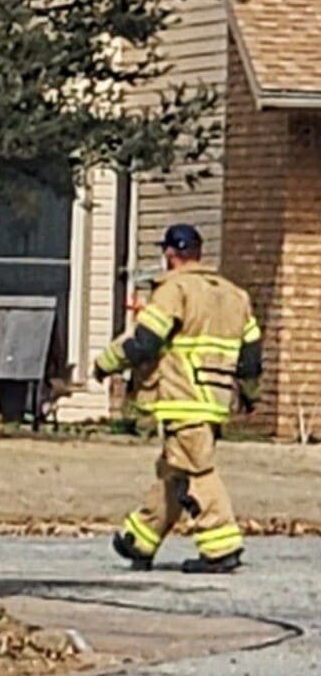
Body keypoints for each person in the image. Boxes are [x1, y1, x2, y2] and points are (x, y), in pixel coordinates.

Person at [94, 224, 262, 574]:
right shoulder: (235, 296)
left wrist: (104, 363)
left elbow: (145, 342)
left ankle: (221, 545)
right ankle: (140, 539)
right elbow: (251, 359)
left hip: (181, 397)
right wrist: (248, 396)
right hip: (215, 399)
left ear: (170, 254)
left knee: (195, 470)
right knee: (175, 468)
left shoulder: (174, 290)